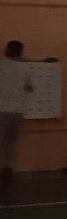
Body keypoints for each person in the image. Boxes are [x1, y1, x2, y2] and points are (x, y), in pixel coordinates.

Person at [0, 41, 34, 179]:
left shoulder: (1, 66)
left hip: (1, 109)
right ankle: (8, 167)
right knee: (12, 142)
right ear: (21, 52)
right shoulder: (25, 69)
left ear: (6, 50)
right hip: (18, 111)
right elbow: (30, 88)